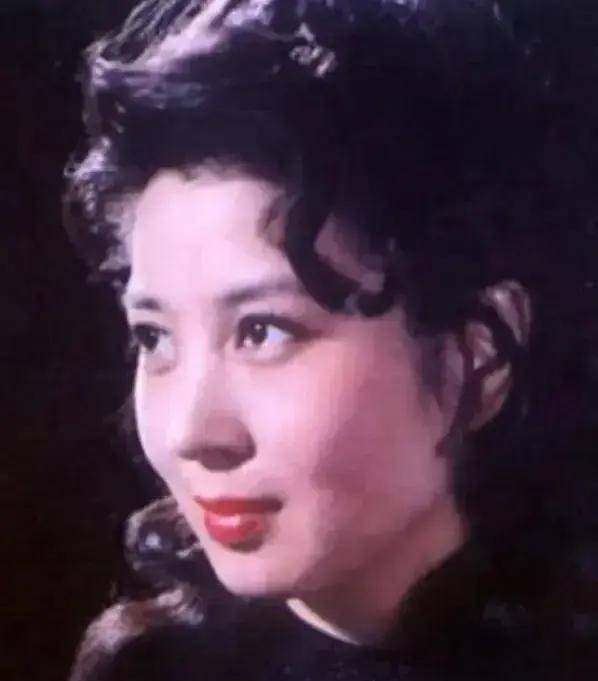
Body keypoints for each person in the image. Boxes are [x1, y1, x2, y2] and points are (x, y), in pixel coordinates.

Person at [64, 0, 598, 679]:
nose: (191, 432)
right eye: (154, 336)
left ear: (476, 355)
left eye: (262, 331)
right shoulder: (146, 666)